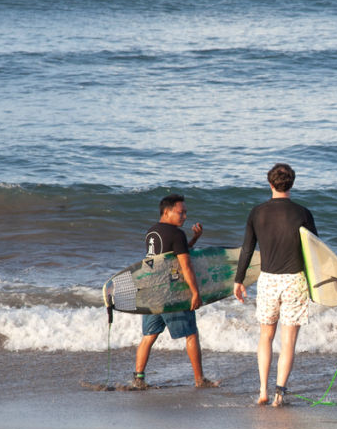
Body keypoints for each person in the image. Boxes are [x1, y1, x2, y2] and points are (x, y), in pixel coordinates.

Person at [233, 163, 317, 407]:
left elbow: (248, 248)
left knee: (266, 336)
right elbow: (315, 251)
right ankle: (280, 394)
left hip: (268, 280)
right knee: (288, 340)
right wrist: (320, 285)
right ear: (292, 183)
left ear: (270, 184)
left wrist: (239, 280)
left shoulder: (257, 213)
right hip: (295, 280)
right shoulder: (303, 213)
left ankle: (262, 391)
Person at [133, 194, 219, 388]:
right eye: (181, 212)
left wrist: (194, 238)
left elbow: (172, 255)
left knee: (149, 336)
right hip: (170, 292)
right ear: (167, 211)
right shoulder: (176, 233)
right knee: (191, 334)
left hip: (151, 291)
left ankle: (138, 378)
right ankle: (200, 380)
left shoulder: (152, 232)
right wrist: (195, 293)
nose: (185, 216)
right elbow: (185, 264)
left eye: (186, 212)